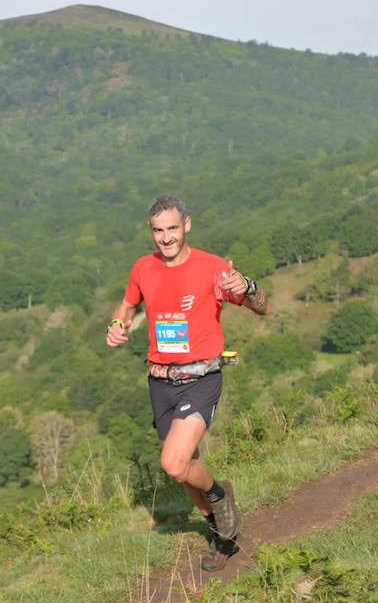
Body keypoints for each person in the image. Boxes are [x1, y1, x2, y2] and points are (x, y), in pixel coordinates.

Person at [106, 195, 269, 570]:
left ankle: (220, 496)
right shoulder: (143, 268)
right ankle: (219, 530)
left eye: (172, 228)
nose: (166, 238)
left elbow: (263, 306)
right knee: (184, 472)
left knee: (174, 464)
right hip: (160, 380)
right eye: (158, 231)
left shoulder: (213, 267)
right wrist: (117, 325)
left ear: (187, 225)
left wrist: (246, 284)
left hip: (202, 377)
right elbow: (128, 306)